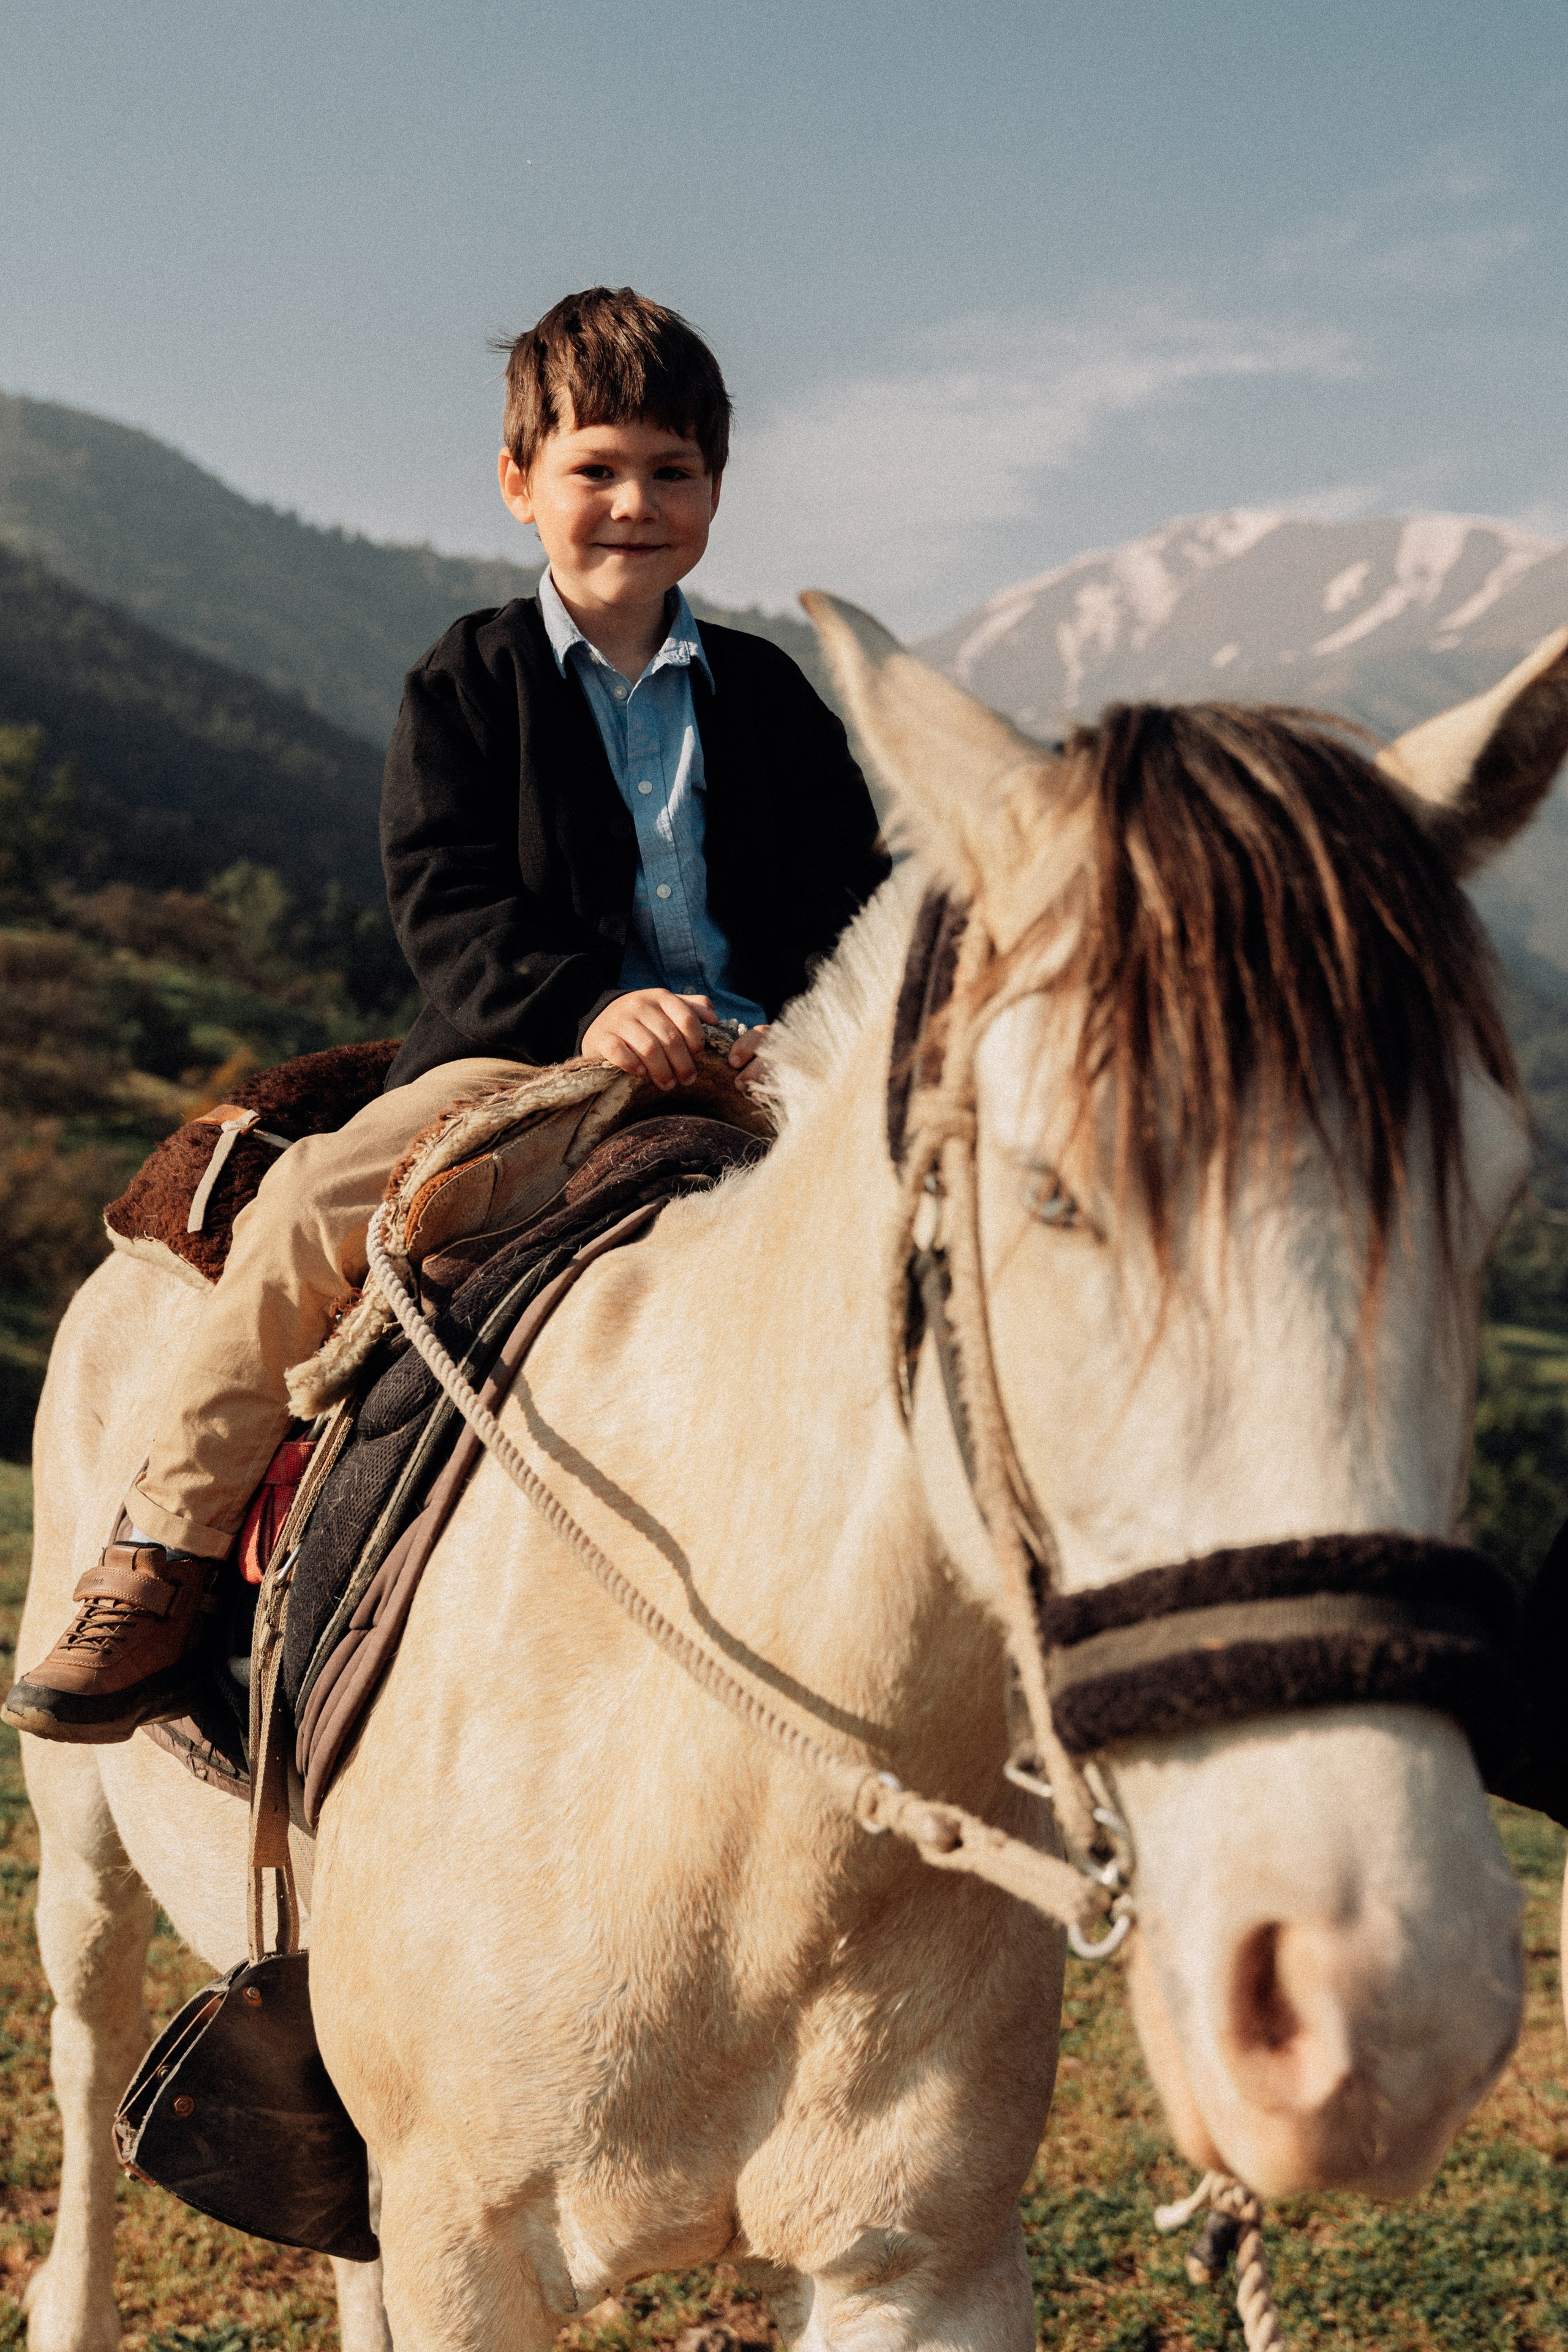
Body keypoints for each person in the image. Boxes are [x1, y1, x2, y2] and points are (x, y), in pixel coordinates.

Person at [4, 285, 889, 1743]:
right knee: (310, 1206)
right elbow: (448, 904)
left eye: (671, 472)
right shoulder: (470, 681)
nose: (633, 503)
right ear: (519, 485)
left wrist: (791, 1034)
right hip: (530, 1051)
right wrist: (598, 1009)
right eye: (595, 468)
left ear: (715, 491)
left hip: (766, 1068)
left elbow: (839, 905)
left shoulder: (771, 697)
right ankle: (158, 1555)